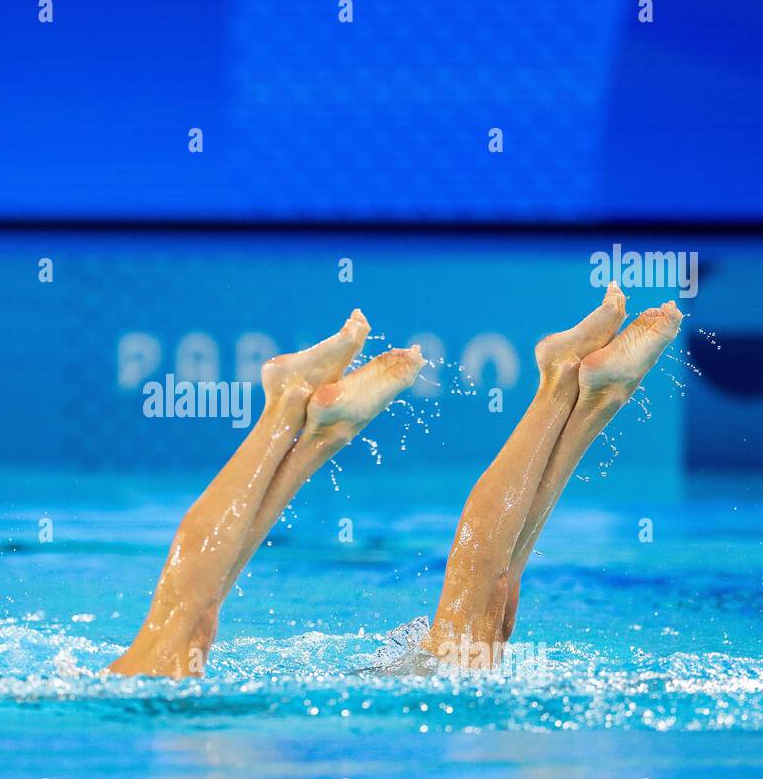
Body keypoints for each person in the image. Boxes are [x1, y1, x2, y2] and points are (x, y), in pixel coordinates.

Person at [109, 283, 682, 677]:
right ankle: (587, 395)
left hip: (377, 693)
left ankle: (289, 408)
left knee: (177, 631)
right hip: (384, 691)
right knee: (492, 611)